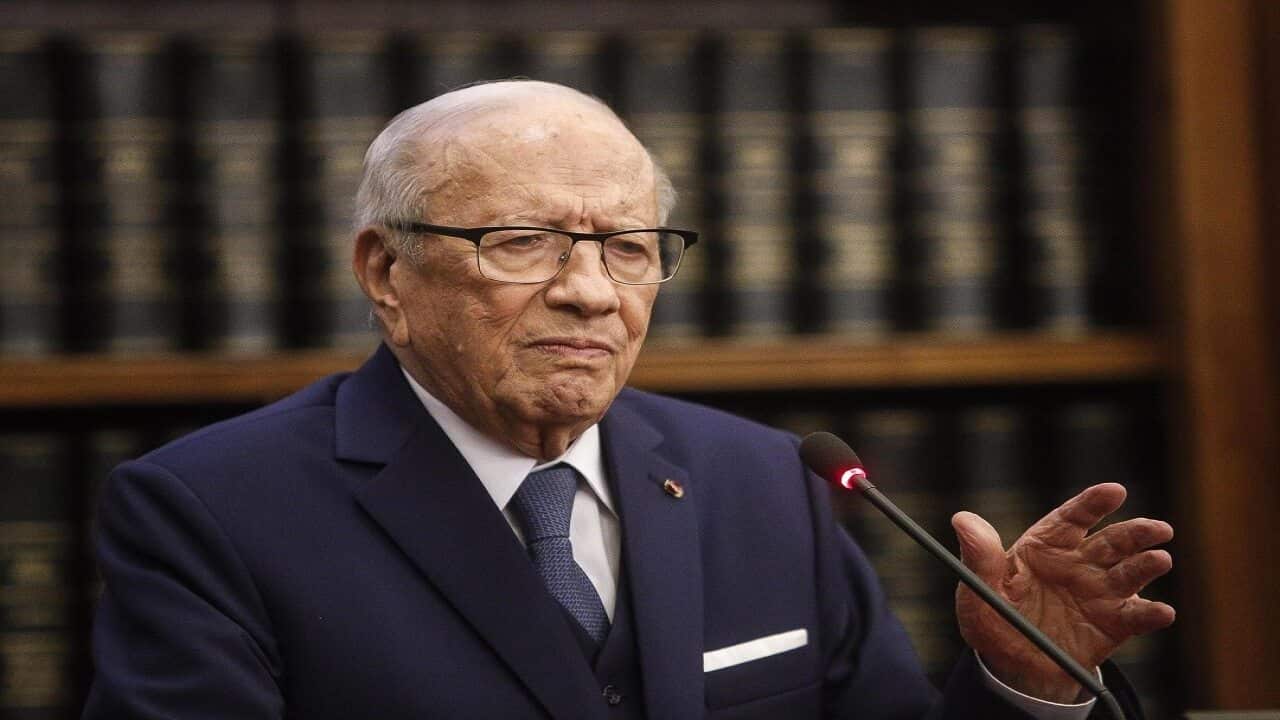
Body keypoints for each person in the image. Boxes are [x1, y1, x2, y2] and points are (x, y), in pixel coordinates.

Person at [83, 80, 1174, 719]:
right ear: (385, 273)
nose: (591, 293)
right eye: (523, 242)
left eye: (629, 248)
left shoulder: (764, 480)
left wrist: (1019, 680)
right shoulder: (210, 509)